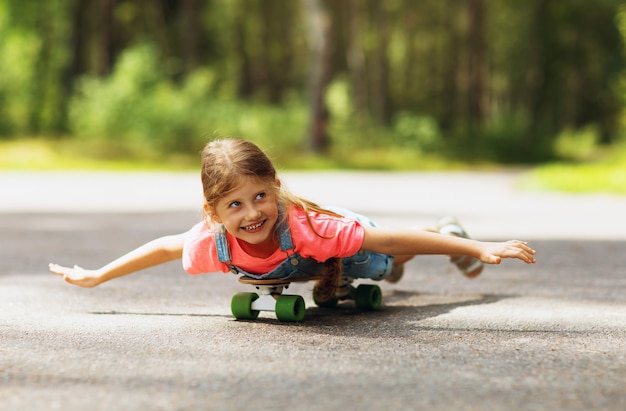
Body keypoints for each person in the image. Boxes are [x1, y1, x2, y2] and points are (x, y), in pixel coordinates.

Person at [49, 138, 536, 304]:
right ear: (212, 213)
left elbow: (385, 235)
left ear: (276, 186)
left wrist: (477, 249)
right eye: (235, 205)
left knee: (387, 262)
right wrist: (96, 276)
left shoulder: (307, 227)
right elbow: (162, 247)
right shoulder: (214, 241)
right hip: (320, 259)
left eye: (260, 196)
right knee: (387, 267)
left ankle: (448, 233)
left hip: (346, 236)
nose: (253, 212)